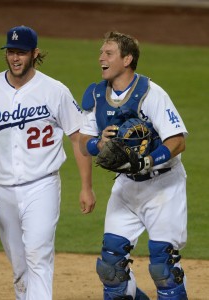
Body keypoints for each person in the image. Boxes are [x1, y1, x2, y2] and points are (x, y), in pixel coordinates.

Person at [0, 25, 96, 300]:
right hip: (3, 190)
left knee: (38, 255)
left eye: (21, 52)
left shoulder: (54, 90)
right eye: (11, 52)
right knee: (20, 266)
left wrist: (86, 186)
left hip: (42, 186)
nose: (15, 58)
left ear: (35, 53)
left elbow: (78, 137)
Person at [79, 31, 188, 300]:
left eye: (108, 53)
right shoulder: (97, 95)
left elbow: (177, 141)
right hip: (127, 186)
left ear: (127, 59)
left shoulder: (150, 93)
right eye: (101, 53)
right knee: (110, 266)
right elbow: (84, 141)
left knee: (163, 267)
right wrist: (98, 145)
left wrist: (147, 160)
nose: (101, 58)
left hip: (163, 185)